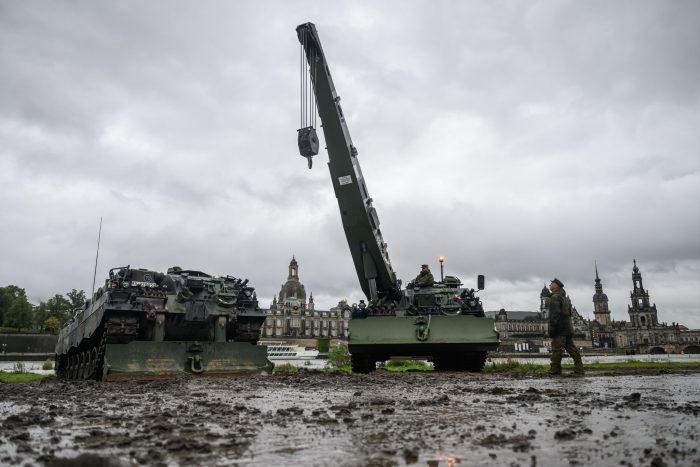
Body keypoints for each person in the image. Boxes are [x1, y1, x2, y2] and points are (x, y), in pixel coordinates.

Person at [547, 278, 584, 376]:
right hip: (568, 328)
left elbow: (554, 314)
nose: (550, 285)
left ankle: (555, 369)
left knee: (557, 349)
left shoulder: (555, 297)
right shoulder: (566, 298)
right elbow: (569, 313)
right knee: (572, 348)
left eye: (551, 283)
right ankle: (579, 368)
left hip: (559, 328)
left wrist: (552, 328)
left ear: (556, 286)